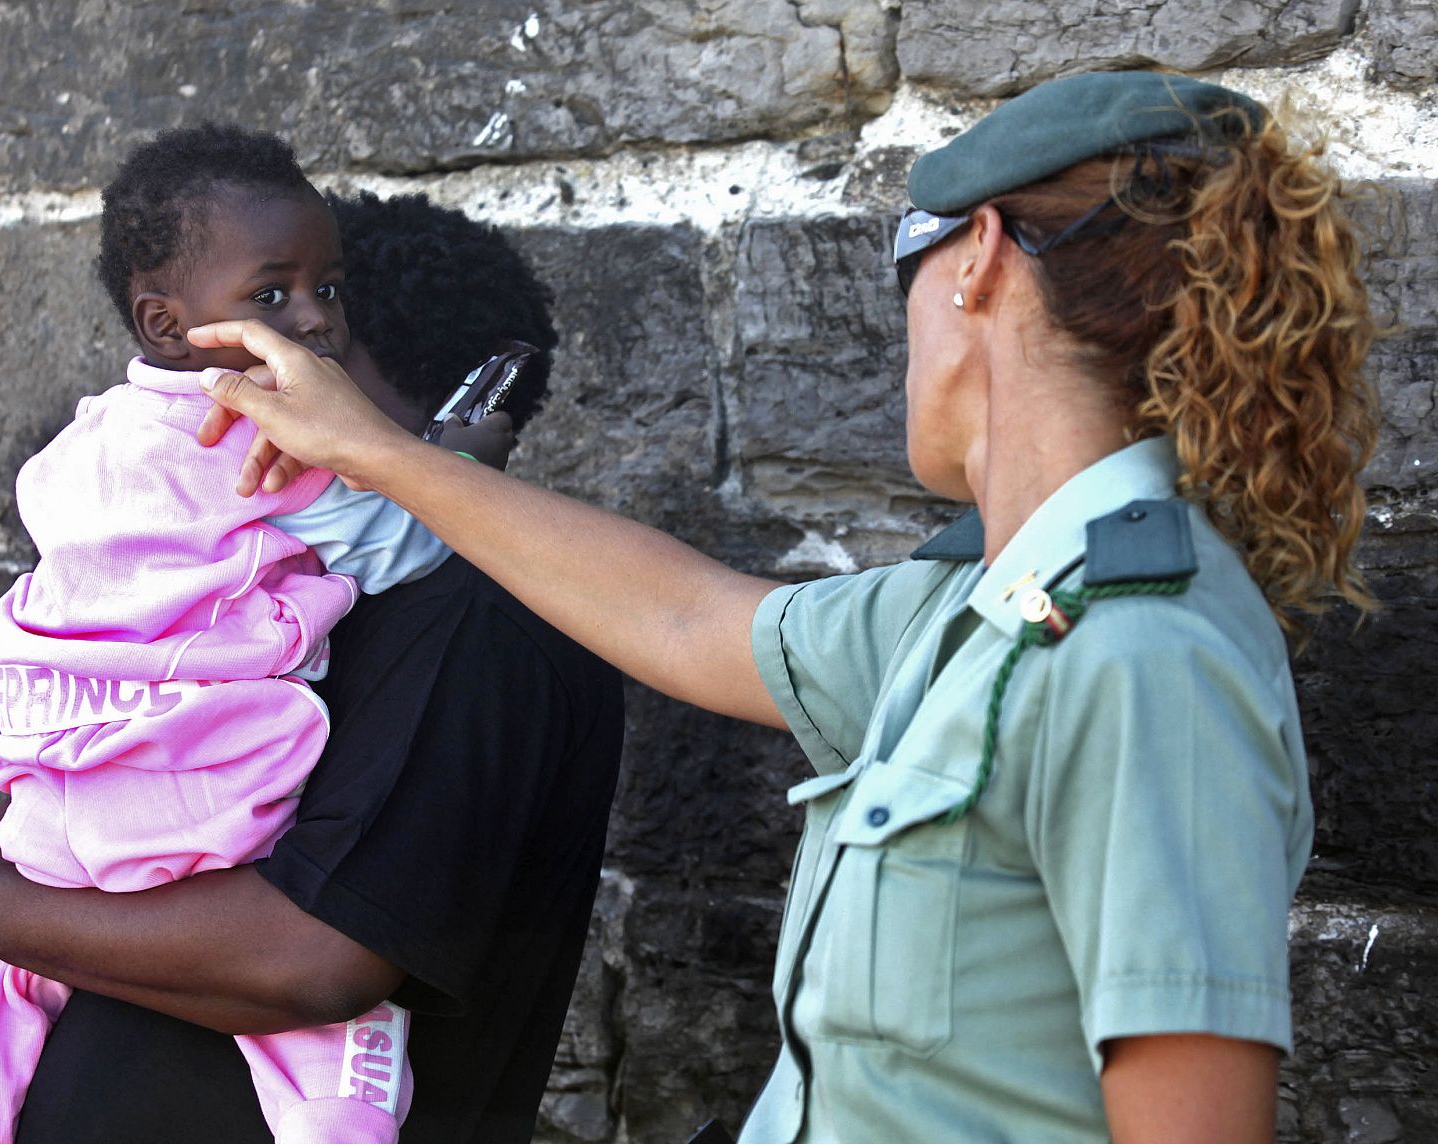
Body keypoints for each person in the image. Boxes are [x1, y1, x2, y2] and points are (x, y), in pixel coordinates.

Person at [179, 71, 1378, 1141]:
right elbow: (693, 618)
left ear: (982, 262)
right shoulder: (977, 611)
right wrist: (375, 452)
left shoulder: (1140, 649)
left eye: (906, 259)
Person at [0, 189, 624, 1144]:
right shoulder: (271, 576)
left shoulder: (481, 620)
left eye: (277, 372)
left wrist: (0, 899)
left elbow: (310, 963)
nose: (228, 426)